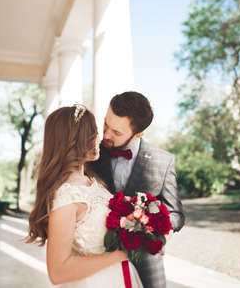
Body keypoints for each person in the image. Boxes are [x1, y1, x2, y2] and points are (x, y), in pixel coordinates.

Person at [26, 105, 143, 287]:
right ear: (76, 140)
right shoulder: (67, 196)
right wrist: (119, 255)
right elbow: (57, 271)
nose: (100, 138)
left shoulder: (89, 181)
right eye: (94, 133)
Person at [89, 91, 186, 288]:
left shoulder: (163, 162)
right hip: (99, 264)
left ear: (139, 133)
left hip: (147, 264)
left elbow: (176, 214)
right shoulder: (91, 154)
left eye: (116, 132)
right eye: (106, 123)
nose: (106, 134)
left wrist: (149, 223)